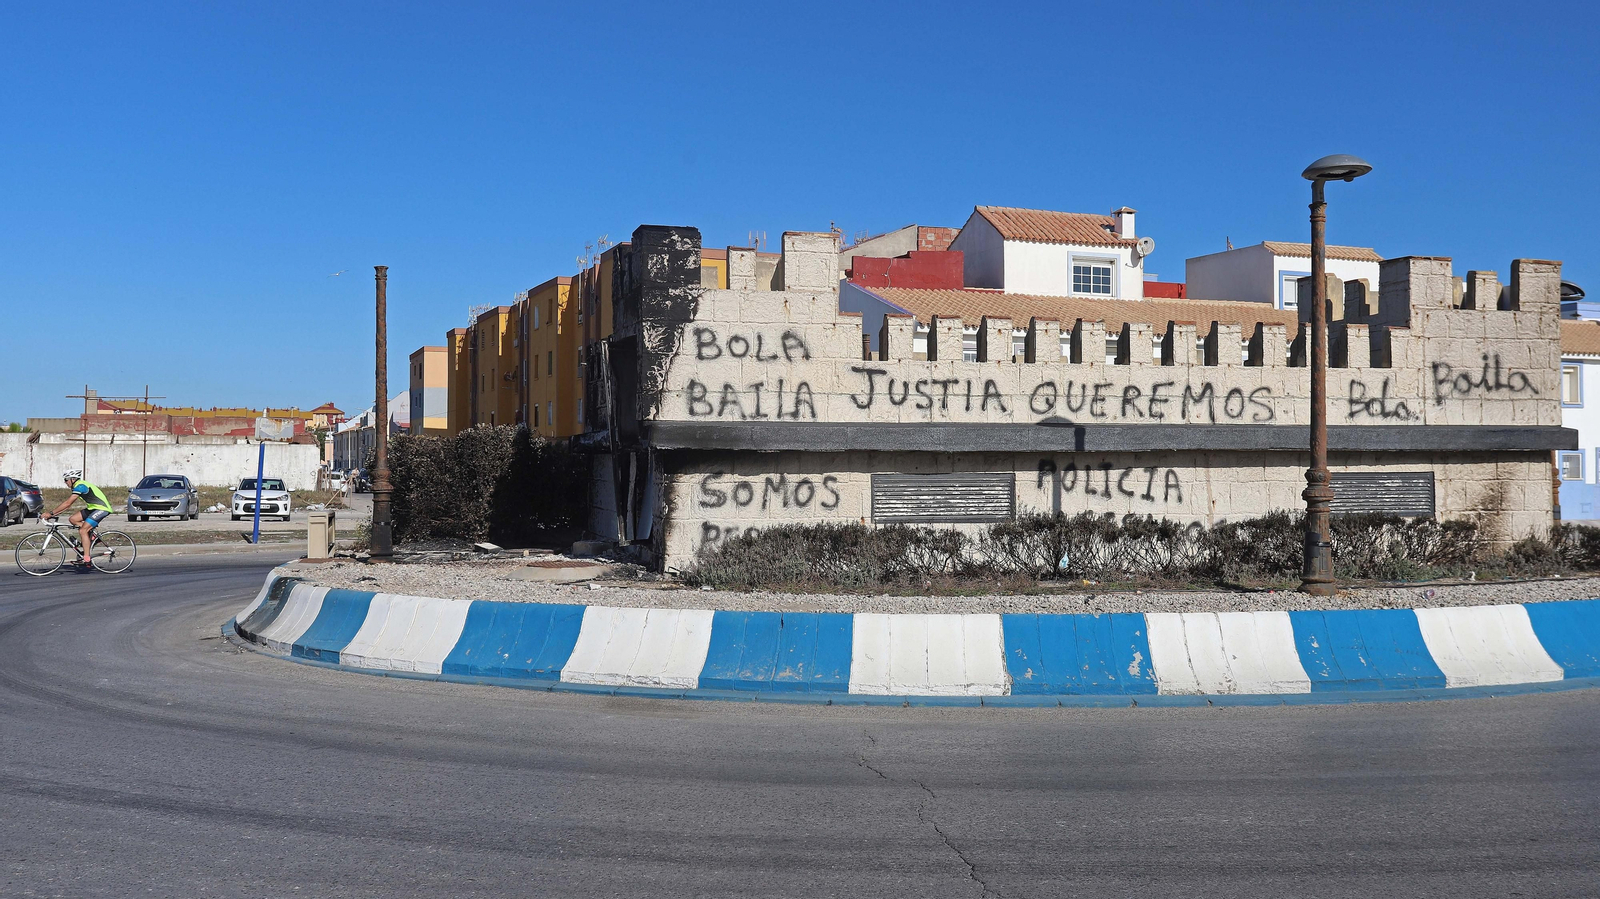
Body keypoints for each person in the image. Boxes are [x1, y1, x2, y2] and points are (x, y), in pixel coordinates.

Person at [43, 469, 113, 567]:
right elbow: (68, 506)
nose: (65, 482)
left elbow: (68, 503)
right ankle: (91, 532)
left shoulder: (80, 486)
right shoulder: (77, 486)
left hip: (101, 509)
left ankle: (86, 558)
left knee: (83, 531)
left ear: (73, 479)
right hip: (93, 508)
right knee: (73, 519)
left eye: (66, 480)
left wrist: (50, 513)